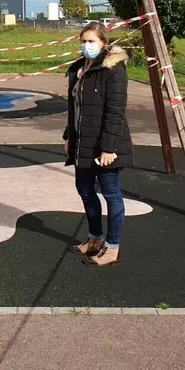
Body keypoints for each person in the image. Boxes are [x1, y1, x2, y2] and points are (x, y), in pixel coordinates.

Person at [63, 21, 133, 266]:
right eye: (83, 41)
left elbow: (116, 112)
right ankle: (95, 238)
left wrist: (108, 147)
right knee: (84, 190)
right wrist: (68, 137)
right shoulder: (79, 69)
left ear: (103, 43)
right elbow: (76, 109)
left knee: (111, 194)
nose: (86, 46)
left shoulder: (112, 69)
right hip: (82, 142)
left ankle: (113, 247)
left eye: (91, 41)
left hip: (104, 145)